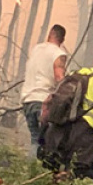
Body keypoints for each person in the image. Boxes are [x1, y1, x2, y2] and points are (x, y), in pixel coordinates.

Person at [41, 57, 93, 181]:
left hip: (58, 127)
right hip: (84, 131)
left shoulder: (77, 74)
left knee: (52, 167)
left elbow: (50, 99)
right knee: (81, 173)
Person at [21, 24, 68, 155]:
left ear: (49, 35)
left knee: (35, 140)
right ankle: (39, 171)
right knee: (47, 142)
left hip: (27, 99)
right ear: (62, 40)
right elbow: (59, 77)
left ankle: (29, 170)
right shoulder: (59, 54)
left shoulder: (36, 49)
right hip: (43, 101)